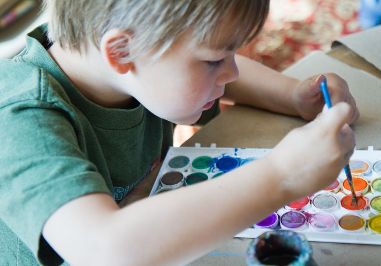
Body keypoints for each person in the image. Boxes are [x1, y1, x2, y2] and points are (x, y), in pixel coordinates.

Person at [0, 1, 358, 265]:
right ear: (122, 52)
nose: (231, 73)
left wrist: (292, 95)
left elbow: (222, 73)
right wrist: (283, 176)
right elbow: (104, 250)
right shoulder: (21, 117)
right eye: (215, 60)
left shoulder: (123, 69)